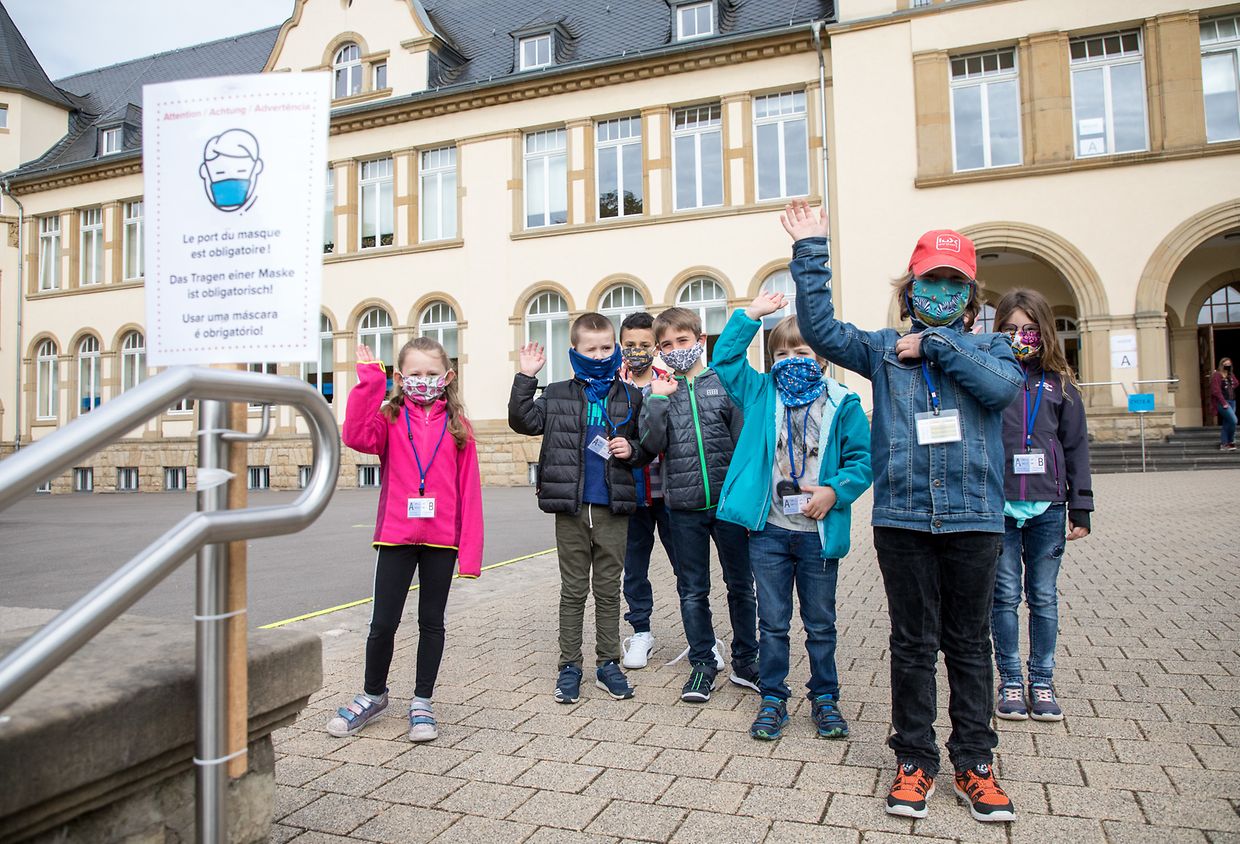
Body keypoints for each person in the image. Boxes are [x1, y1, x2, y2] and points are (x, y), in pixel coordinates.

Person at [783, 199, 1023, 824]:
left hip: (973, 521)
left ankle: (976, 763)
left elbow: (1001, 390)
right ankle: (914, 759)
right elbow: (822, 332)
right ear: (910, 289)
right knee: (912, 645)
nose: (941, 290)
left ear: (970, 297)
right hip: (904, 521)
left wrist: (937, 344)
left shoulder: (993, 347)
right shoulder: (884, 351)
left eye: (953, 282)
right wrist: (811, 253)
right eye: (930, 280)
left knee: (969, 645)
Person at [713, 294, 872, 741]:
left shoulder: (843, 402)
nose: (790, 360)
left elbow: (863, 460)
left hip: (818, 532)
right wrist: (750, 316)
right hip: (770, 531)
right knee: (773, 622)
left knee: (820, 624)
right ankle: (773, 697)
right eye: (781, 353)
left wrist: (834, 492)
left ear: (822, 358)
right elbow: (725, 361)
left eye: (800, 352)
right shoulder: (761, 392)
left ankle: (825, 698)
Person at [327, 337, 483, 742]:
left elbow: (469, 491)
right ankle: (373, 694)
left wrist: (470, 554)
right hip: (396, 534)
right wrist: (369, 382)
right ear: (399, 378)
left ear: (448, 377)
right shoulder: (388, 418)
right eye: (414, 373)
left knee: (432, 622)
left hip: (442, 540)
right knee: (383, 622)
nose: (423, 380)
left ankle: (422, 701)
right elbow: (356, 436)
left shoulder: (459, 427)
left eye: (432, 373)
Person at [509, 312, 650, 704]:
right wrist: (526, 377)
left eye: (606, 348)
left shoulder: (630, 396)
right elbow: (523, 421)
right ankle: (569, 665)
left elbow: (646, 447)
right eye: (591, 349)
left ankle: (608, 663)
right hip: (571, 507)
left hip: (612, 507)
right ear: (574, 351)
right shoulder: (556, 394)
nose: (600, 355)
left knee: (608, 589)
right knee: (573, 589)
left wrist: (631, 450)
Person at [639, 307, 759, 703]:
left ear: (700, 340)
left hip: (727, 508)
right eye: (667, 345)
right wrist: (658, 401)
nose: (676, 349)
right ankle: (703, 664)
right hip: (683, 507)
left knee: (740, 585)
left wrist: (744, 497)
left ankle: (746, 662)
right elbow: (651, 444)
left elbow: (743, 442)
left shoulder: (724, 383)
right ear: (659, 350)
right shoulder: (655, 392)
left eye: (683, 340)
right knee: (692, 590)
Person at [990, 289, 1094, 724]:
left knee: (1044, 597)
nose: (1021, 337)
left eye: (1030, 329)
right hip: (999, 505)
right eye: (1011, 329)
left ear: (1044, 330)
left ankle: (1042, 680)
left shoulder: (1061, 385)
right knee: (1004, 596)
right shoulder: (990, 378)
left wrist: (1081, 505)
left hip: (1048, 506)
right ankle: (1011, 680)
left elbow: (1076, 446)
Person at [616, 311, 677, 669]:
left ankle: (700, 635)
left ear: (655, 347)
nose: (637, 350)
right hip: (631, 496)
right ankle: (641, 632)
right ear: (621, 346)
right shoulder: (613, 387)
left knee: (685, 567)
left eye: (644, 344)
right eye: (630, 344)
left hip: (669, 494)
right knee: (634, 571)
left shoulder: (669, 383)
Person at [1210, 357, 1237, 451]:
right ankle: (1230, 441)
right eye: (1225, 364)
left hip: (1232, 401)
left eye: (1229, 364)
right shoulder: (1217, 375)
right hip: (1223, 402)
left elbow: (1236, 383)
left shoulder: (1230, 374)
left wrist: (1230, 374)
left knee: (1227, 423)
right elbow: (1216, 391)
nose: (1227, 366)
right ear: (1221, 365)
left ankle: (1224, 444)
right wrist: (1223, 402)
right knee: (1234, 420)